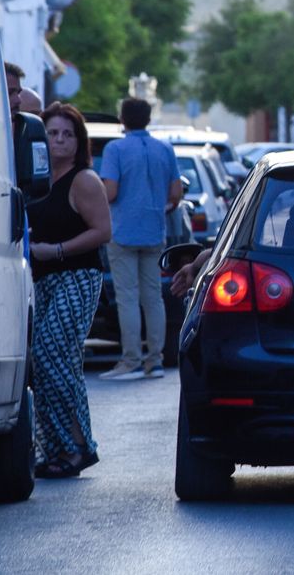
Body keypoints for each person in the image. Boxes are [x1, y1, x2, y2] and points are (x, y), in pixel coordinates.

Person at [27, 103, 111, 477]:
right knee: (51, 364)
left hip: (77, 277)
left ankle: (78, 445)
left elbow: (102, 232)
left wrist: (57, 250)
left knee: (50, 354)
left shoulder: (84, 180)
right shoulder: (33, 179)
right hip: (41, 280)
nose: (59, 140)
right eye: (52, 133)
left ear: (79, 142)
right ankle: (61, 449)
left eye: (67, 134)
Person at [99, 98, 184, 380]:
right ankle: (155, 360)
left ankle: (131, 358)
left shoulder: (116, 149)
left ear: (122, 119)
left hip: (122, 230)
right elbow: (176, 194)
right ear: (148, 118)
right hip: (153, 230)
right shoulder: (165, 148)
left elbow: (110, 192)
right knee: (153, 297)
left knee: (127, 297)